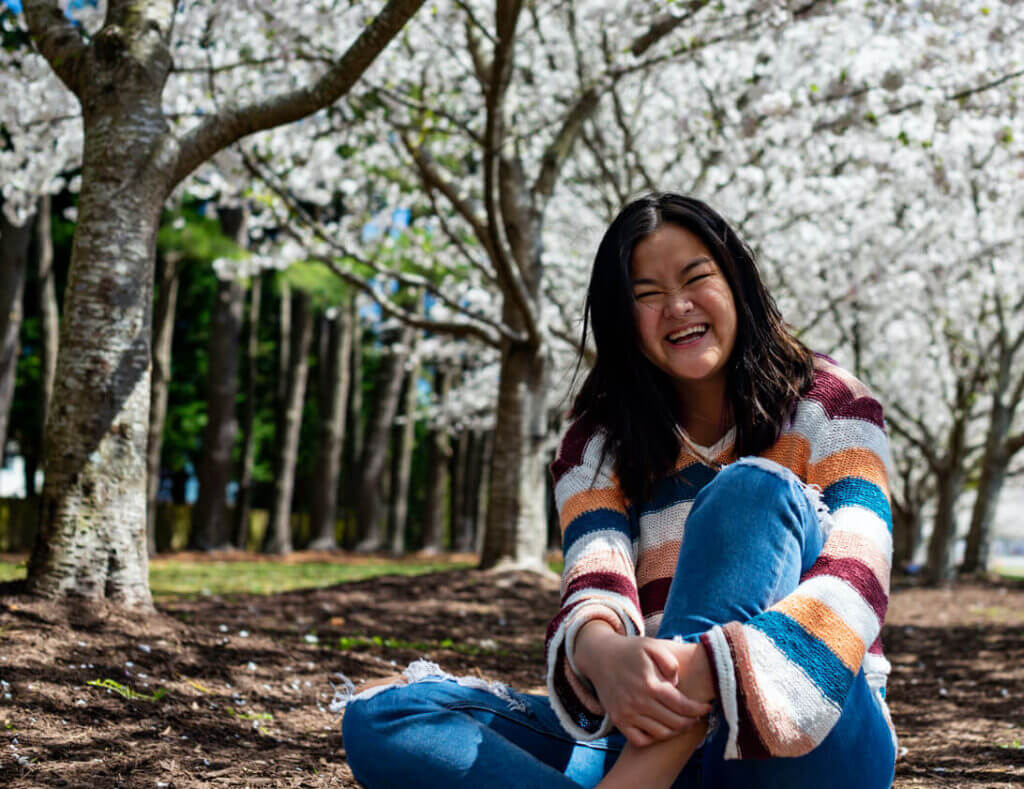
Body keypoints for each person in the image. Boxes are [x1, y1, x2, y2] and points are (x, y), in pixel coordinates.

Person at [342, 193, 897, 788]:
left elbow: (857, 576)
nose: (678, 307)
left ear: (736, 279)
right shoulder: (596, 442)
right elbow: (594, 574)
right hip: (640, 732)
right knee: (387, 713)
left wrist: (703, 671)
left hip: (807, 739)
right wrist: (606, 655)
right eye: (646, 295)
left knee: (752, 493)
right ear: (620, 317)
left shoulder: (830, 404)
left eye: (695, 278)